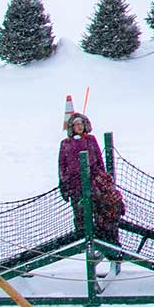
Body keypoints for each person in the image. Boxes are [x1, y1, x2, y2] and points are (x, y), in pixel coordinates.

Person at [58, 112, 126, 273]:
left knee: (102, 212)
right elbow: (62, 165)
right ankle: (83, 236)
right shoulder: (66, 144)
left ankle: (105, 240)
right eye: (75, 125)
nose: (79, 127)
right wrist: (64, 185)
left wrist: (104, 180)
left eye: (81, 124)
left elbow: (99, 162)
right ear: (71, 128)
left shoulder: (90, 140)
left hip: (94, 183)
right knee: (80, 213)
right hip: (76, 186)